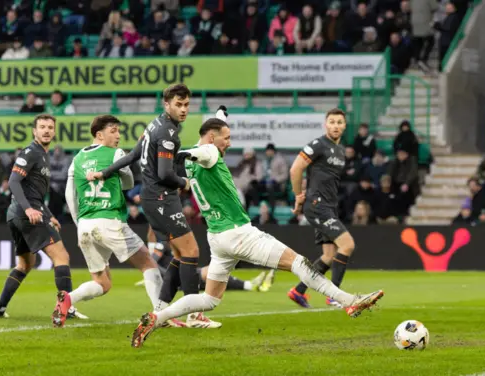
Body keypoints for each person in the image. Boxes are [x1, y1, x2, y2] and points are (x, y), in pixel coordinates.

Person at [130, 107, 383, 348]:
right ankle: (350, 302)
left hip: (217, 237)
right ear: (211, 138)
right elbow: (203, 151)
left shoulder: (201, 153)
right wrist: (179, 152)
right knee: (299, 263)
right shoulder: (208, 152)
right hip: (240, 233)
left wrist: (220, 116)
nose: (229, 143)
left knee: (209, 299)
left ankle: (157, 317)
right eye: (226, 138)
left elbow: (207, 140)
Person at [87, 84, 220, 329]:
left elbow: (132, 155)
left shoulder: (154, 124)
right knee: (191, 251)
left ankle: (159, 310)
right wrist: (185, 183)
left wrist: (104, 173)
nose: (183, 110)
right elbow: (165, 173)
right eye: (178, 105)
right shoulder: (168, 132)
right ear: (166, 104)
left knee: (180, 255)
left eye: (187, 105)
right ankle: (194, 315)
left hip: (152, 199)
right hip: (162, 199)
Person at [64, 115, 164, 321]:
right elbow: (128, 183)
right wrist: (118, 172)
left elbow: (69, 195)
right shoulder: (116, 153)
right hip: (110, 221)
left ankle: (68, 300)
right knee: (148, 263)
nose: (118, 135)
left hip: (84, 225)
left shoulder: (77, 159)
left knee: (103, 283)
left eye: (118, 131)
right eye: (113, 131)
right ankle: (162, 314)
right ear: (99, 135)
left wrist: (79, 223)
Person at [0, 114, 81, 327]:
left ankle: (0, 307)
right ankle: (66, 306)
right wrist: (29, 208)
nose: (47, 130)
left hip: (18, 214)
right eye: (42, 127)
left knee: (25, 263)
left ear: (54, 131)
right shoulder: (31, 152)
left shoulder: (43, 155)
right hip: (26, 213)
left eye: (50, 127)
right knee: (62, 257)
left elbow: (35, 194)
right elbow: (13, 181)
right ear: (34, 131)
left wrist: (50, 216)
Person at [287, 109, 356, 309]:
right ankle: (335, 296)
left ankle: (298, 291)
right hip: (318, 206)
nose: (335, 125)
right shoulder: (318, 145)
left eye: (339, 122)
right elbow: (296, 168)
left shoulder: (340, 151)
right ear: (326, 125)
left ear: (344, 126)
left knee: (328, 255)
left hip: (329, 207)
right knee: (348, 245)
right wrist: (299, 195)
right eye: (332, 122)